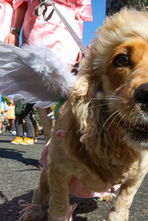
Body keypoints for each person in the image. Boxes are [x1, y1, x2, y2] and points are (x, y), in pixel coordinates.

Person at [21, 0, 92, 142]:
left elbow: (81, 9)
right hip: (38, 22)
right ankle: (49, 141)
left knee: (61, 90)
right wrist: (15, 29)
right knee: (41, 91)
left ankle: (60, 144)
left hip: (66, 24)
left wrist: (78, 39)